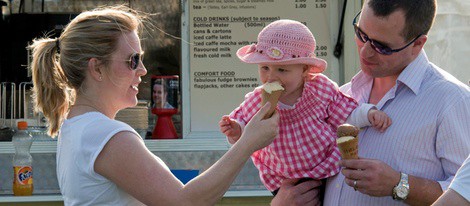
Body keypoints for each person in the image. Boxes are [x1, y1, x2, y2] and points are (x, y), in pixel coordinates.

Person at [29, 6, 279, 205]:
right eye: (132, 60)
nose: (143, 70)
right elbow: (186, 202)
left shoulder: (77, 126)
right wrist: (248, 142)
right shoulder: (104, 134)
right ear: (96, 68)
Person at [219, 19, 391, 196]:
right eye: (265, 68)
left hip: (325, 165)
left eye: (282, 70)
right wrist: (235, 130)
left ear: (304, 70)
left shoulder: (319, 89)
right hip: (283, 176)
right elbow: (244, 128)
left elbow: (346, 113)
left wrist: (369, 113)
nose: (271, 77)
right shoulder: (258, 99)